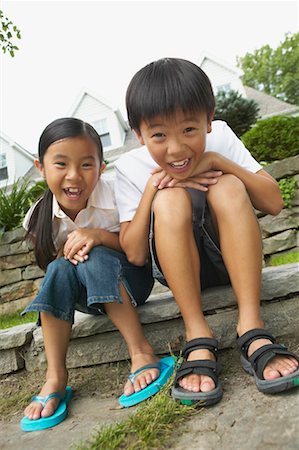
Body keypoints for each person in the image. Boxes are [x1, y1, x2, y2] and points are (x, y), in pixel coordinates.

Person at [114, 57, 299, 405]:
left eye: (189, 129)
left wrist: (218, 163)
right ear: (138, 134)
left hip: (232, 261)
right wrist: (155, 187)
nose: (177, 148)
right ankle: (196, 332)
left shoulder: (223, 137)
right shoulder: (129, 167)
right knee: (169, 201)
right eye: (158, 135)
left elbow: (273, 202)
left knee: (228, 185)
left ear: (209, 120)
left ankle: (251, 326)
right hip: (180, 273)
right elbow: (136, 253)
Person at [20, 117, 175, 432]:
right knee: (59, 268)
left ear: (101, 167)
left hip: (131, 283)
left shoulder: (117, 193)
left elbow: (140, 252)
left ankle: (141, 351)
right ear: (41, 167)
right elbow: (56, 271)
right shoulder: (38, 216)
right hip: (84, 298)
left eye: (87, 165)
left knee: (94, 256)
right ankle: (56, 377)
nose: (74, 176)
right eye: (61, 164)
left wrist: (99, 236)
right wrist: (69, 256)